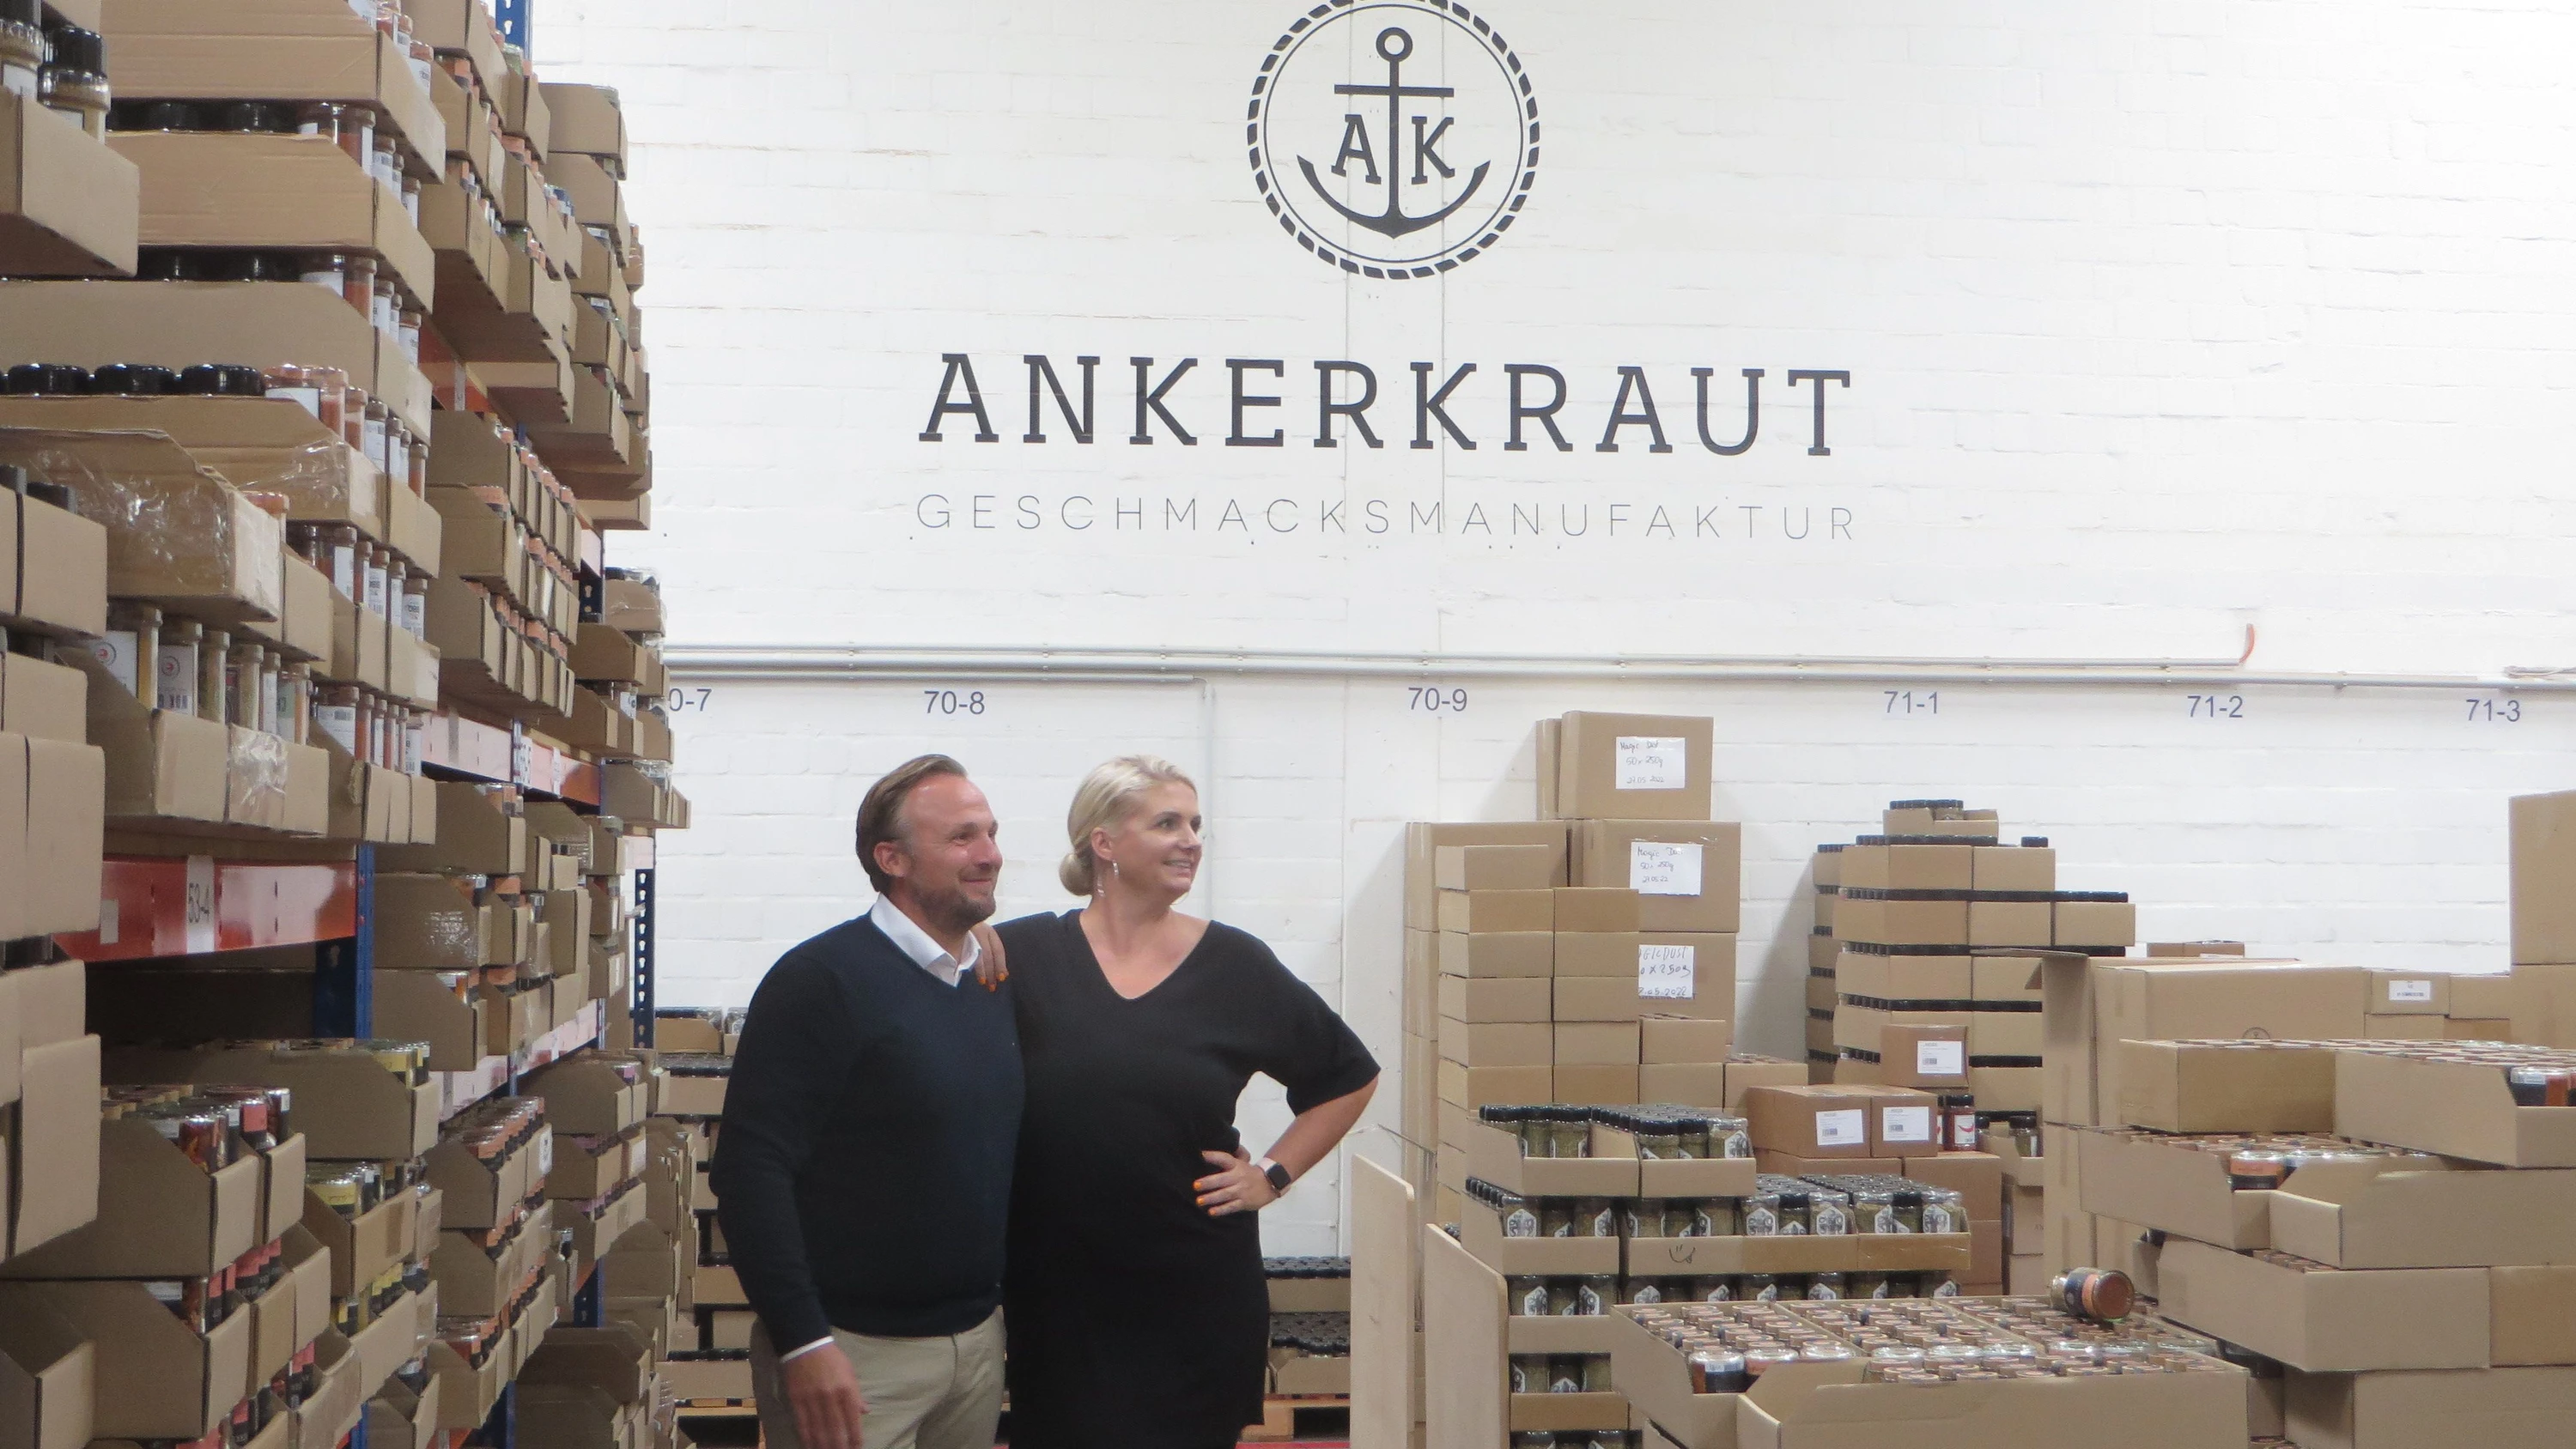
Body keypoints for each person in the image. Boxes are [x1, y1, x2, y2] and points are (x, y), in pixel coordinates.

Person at [996, 755, 1381, 1449]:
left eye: (1196, 825)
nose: (1192, 841)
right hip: (1059, 1292)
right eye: (1168, 823)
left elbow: (1347, 1077)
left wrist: (1271, 1175)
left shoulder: (1235, 965)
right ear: (1103, 842)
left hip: (1194, 1288)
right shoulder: (1018, 956)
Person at [710, 755, 1020, 1449]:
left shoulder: (987, 982)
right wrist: (804, 1341)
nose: (990, 854)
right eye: (962, 837)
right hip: (854, 1356)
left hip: (975, 1349)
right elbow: (750, 1172)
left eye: (991, 833)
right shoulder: (820, 981)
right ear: (892, 859)